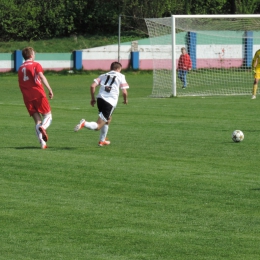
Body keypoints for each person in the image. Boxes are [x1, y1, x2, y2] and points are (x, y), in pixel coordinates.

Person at [74, 61, 129, 146]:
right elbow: (124, 92)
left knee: (108, 118)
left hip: (100, 99)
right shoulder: (121, 76)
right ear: (119, 69)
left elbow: (92, 86)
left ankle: (102, 141)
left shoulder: (103, 75)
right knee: (98, 126)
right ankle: (85, 123)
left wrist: (92, 99)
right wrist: (125, 100)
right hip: (109, 102)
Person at [18, 47, 53, 149]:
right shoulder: (35, 65)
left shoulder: (20, 68)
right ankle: (44, 127)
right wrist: (50, 89)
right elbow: (41, 76)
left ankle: (43, 143)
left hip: (27, 97)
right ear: (31, 55)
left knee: (37, 120)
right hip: (38, 94)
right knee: (48, 116)